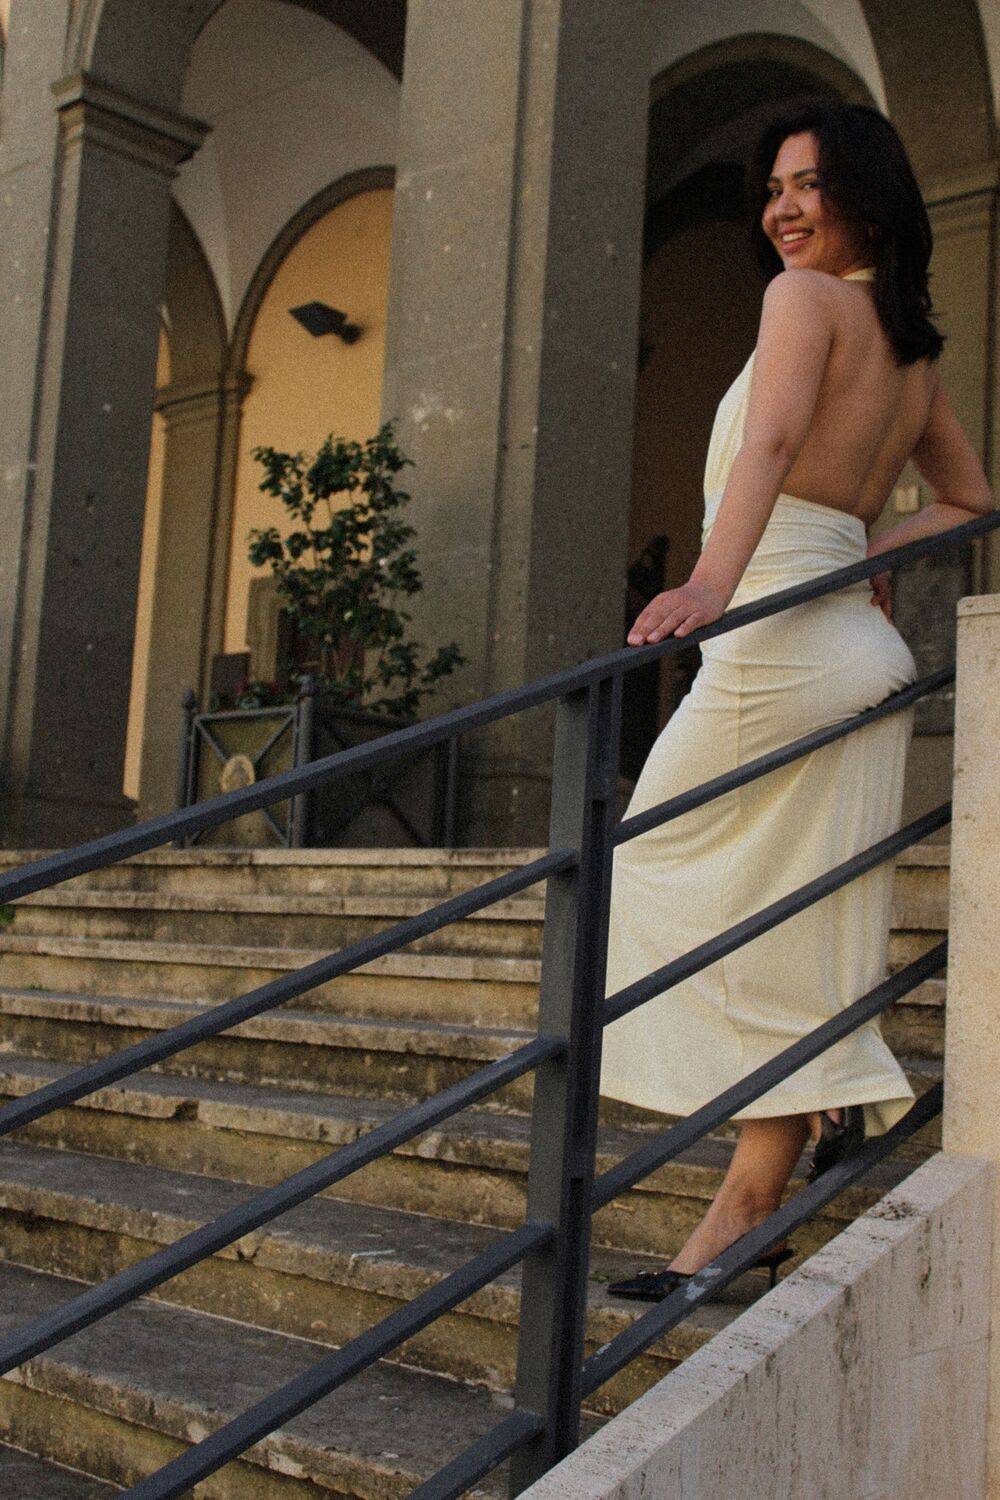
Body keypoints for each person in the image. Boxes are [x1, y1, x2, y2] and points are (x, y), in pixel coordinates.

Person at [602, 101, 995, 1301]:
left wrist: (708, 588)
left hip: (776, 636)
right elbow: (972, 502)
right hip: (850, 649)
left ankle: (815, 1095)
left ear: (863, 196)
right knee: (795, 923)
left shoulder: (802, 301)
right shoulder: (909, 349)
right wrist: (865, 552)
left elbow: (769, 448)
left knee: (645, 861)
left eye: (808, 184)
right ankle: (750, 1210)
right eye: (772, 188)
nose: (782, 208)